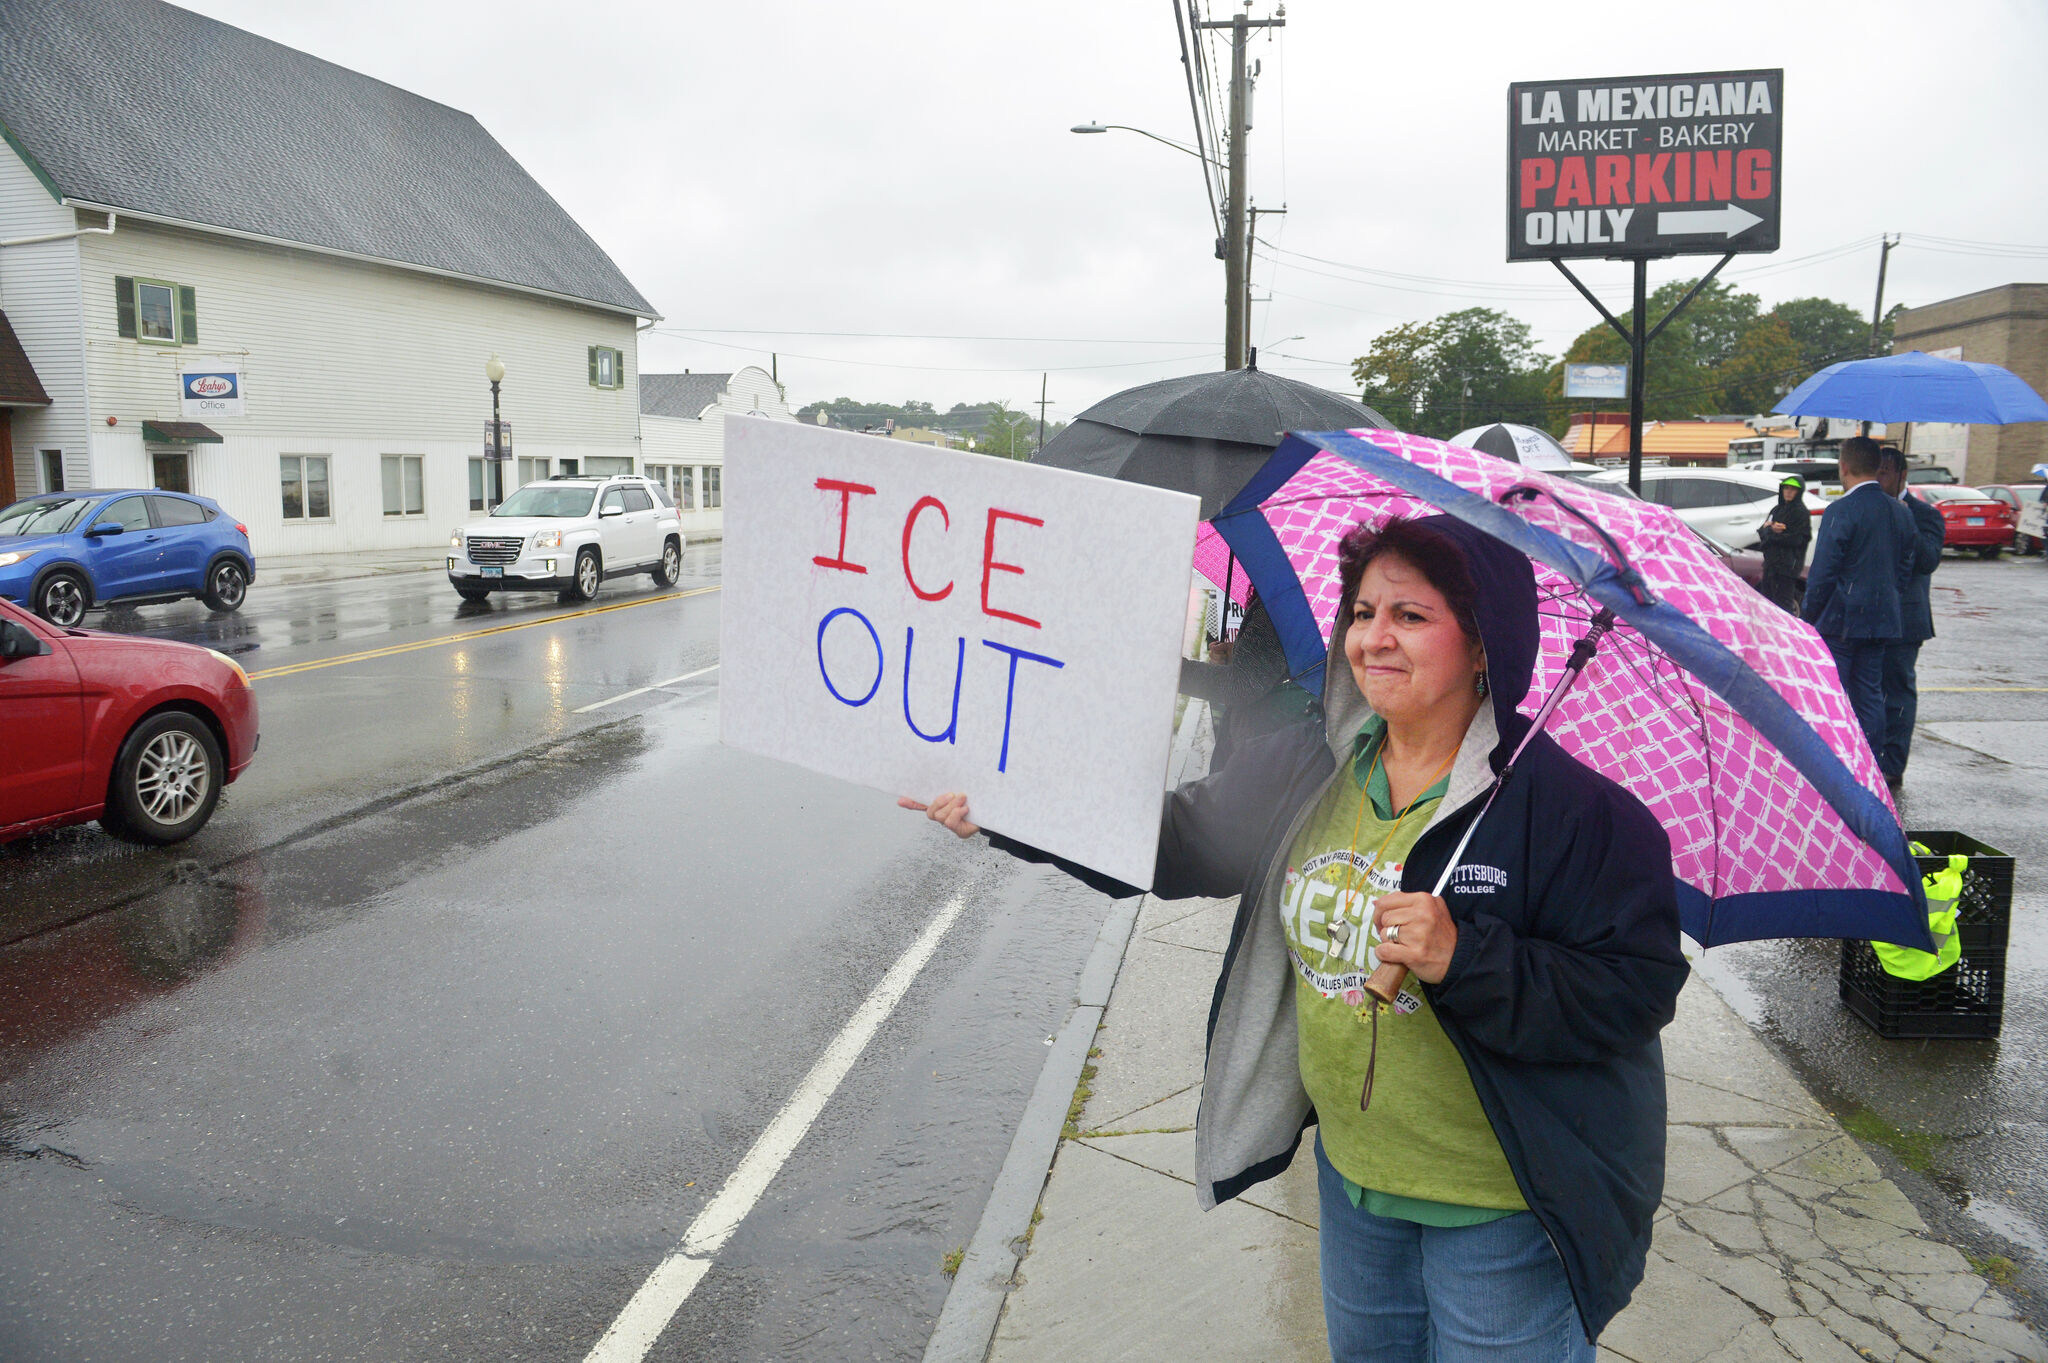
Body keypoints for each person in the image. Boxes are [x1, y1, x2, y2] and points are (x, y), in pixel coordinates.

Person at [903, 515, 1686, 1361]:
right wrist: (1014, 808)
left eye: (1410, 616)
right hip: (1356, 1187)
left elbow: (1633, 990)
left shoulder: (1577, 814)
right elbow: (1176, 840)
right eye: (1362, 612)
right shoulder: (1311, 763)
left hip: (1503, 1210)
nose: (1374, 637)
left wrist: (1467, 957)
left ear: (1482, 643)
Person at [1803, 436, 1916, 759]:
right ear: (1877, 467)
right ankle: (1870, 763)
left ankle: (1837, 763)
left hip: (1841, 620)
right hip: (1881, 618)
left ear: (1844, 467)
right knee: (1870, 695)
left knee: (1833, 696)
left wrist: (1808, 618)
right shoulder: (1900, 512)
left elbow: (1823, 572)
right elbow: (1905, 566)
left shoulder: (1841, 510)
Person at [1877, 447, 1944, 790]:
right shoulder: (1872, 510)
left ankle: (1893, 763)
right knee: (1868, 693)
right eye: (1875, 471)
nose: (1879, 478)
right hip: (1870, 617)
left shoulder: (1924, 514)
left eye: (1885, 472)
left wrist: (1906, 523)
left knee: (1898, 693)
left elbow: (1928, 561)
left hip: (1905, 621)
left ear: (1902, 475)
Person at [1757, 475, 1811, 612]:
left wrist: (1774, 533)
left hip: (1787, 567)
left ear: (1799, 492)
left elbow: (1797, 539)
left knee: (1783, 604)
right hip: (1770, 565)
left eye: (1793, 489)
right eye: (1786, 488)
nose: (1788, 492)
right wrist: (1770, 530)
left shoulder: (1801, 513)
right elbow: (1762, 531)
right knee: (1767, 603)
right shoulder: (1776, 510)